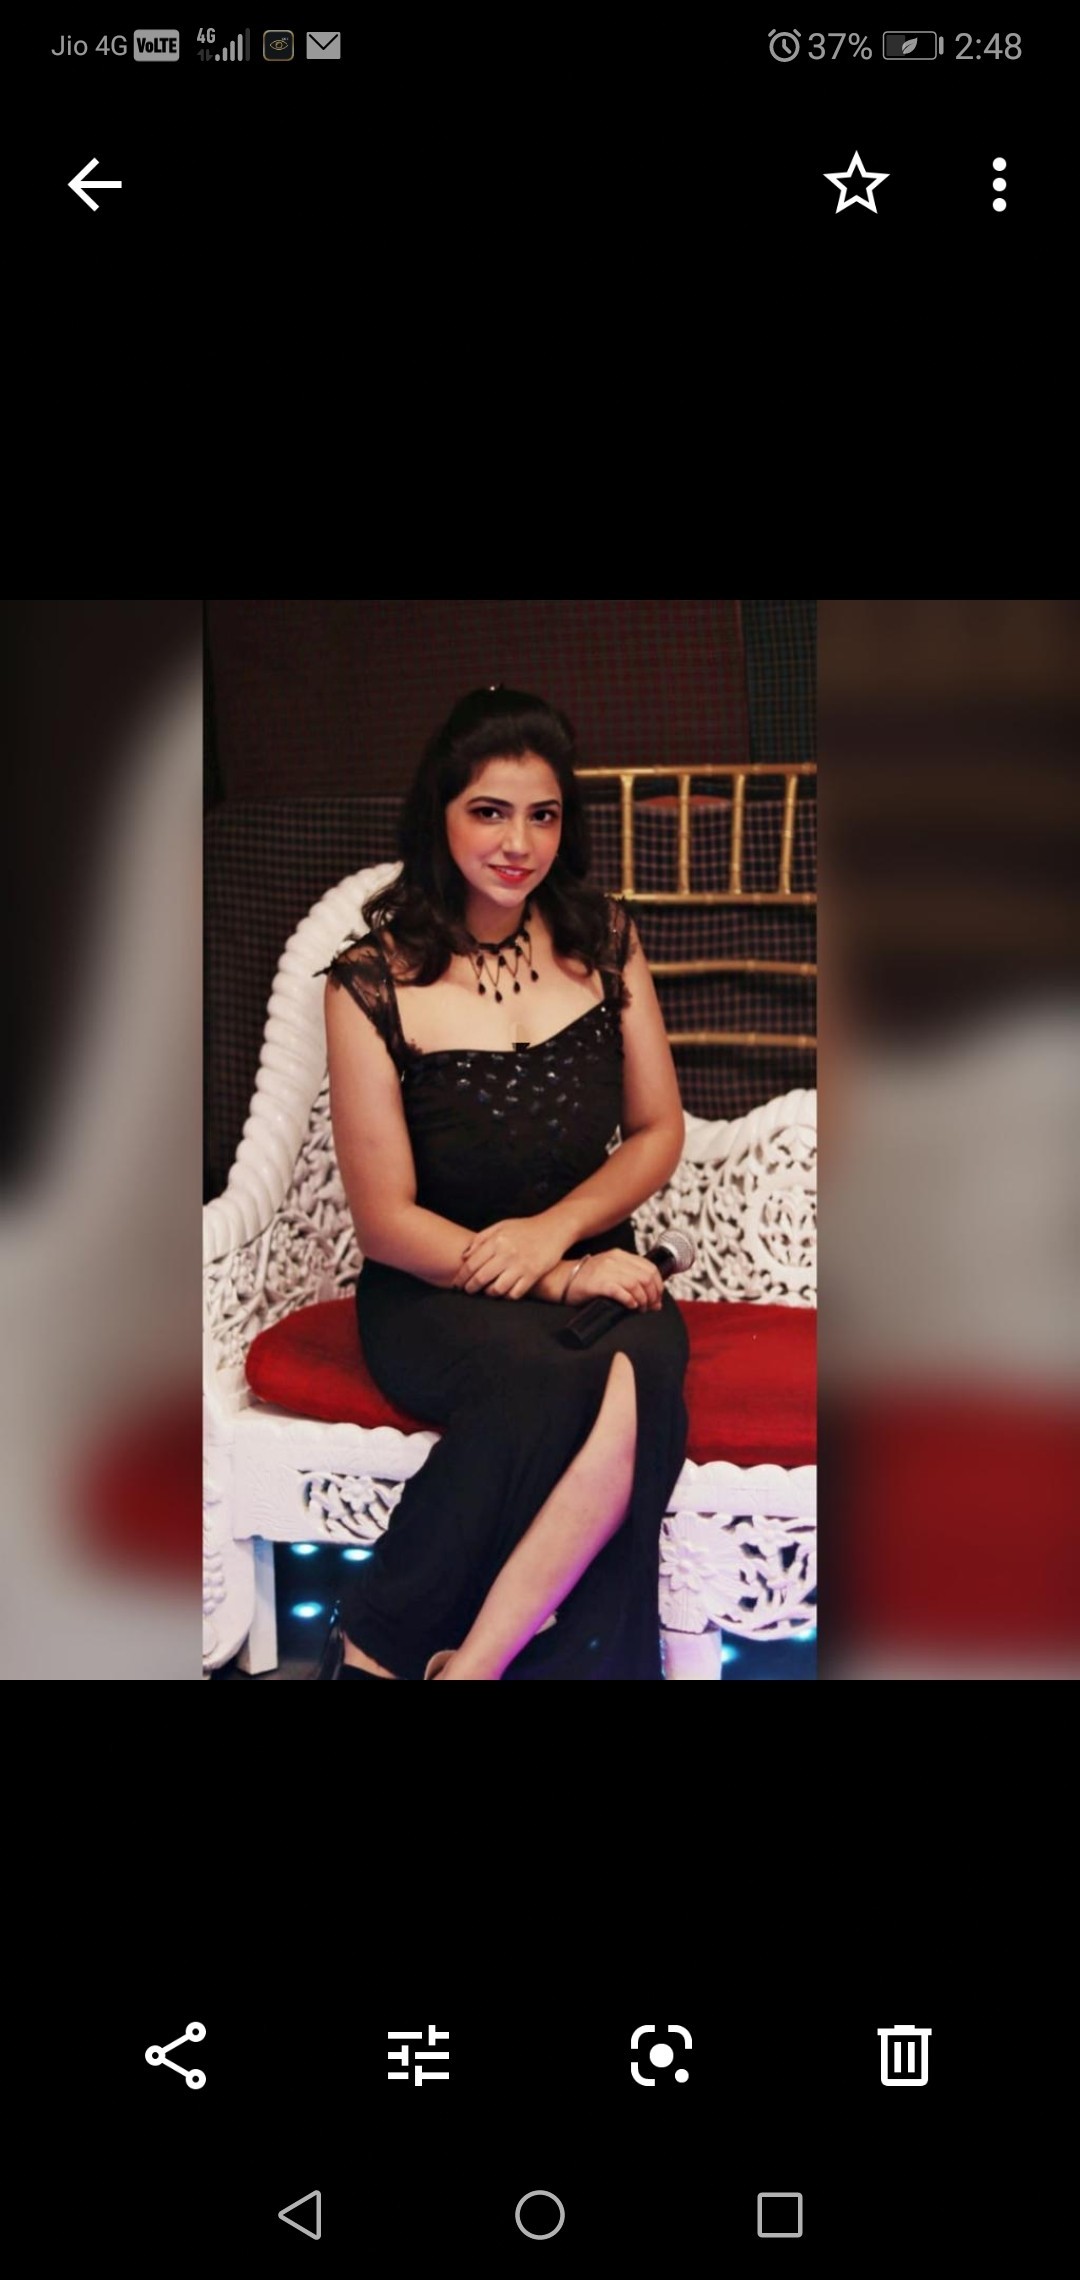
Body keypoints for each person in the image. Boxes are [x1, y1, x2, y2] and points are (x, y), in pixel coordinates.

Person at [314, 685, 689, 1680]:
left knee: (637, 1364)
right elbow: (385, 1222)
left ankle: (467, 1666)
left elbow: (658, 1131)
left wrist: (560, 1238)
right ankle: (379, 1642)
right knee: (546, 1376)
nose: (519, 843)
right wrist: (553, 1274)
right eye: (489, 811)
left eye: (543, 814)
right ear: (439, 815)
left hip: (598, 1262)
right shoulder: (368, 982)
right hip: (434, 1286)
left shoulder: (605, 939)